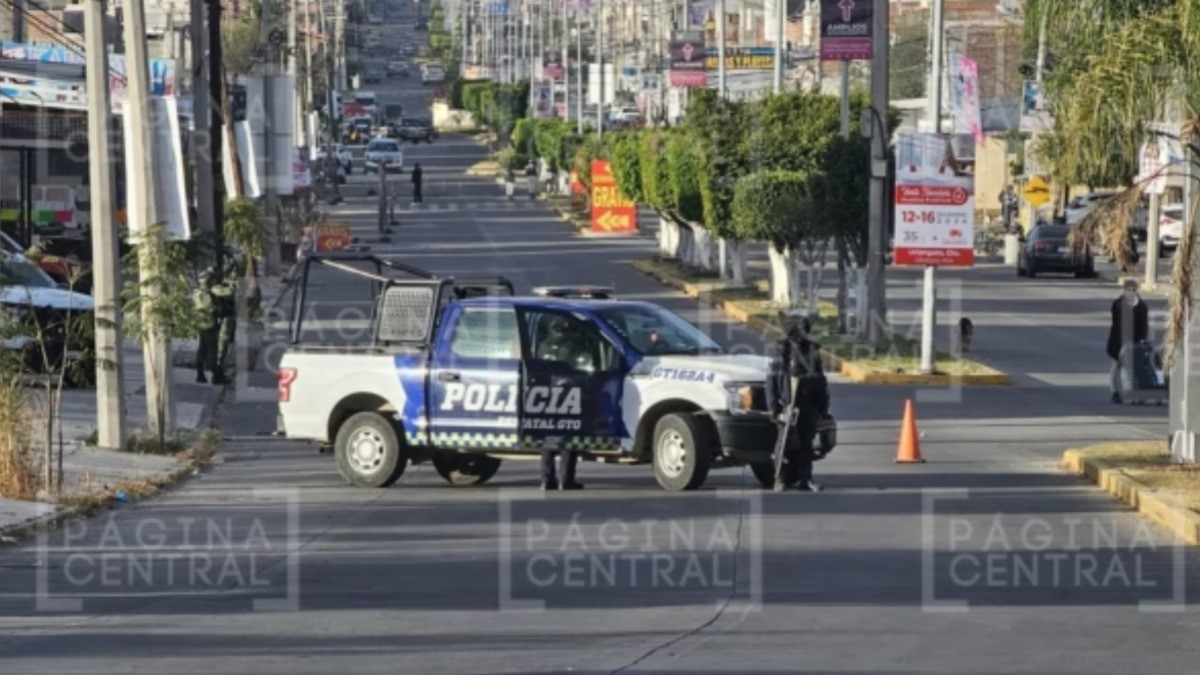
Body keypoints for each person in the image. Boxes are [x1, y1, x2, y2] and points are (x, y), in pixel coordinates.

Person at [765, 311, 831, 492]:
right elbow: (772, 380)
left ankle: (806, 478)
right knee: (783, 443)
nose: (806, 332)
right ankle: (780, 478)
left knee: (806, 443)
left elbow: (820, 380)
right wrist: (773, 406)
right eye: (802, 328)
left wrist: (822, 406)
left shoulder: (811, 349)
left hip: (807, 403)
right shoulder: (782, 349)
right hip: (787, 403)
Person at [535, 315, 592, 490]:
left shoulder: (542, 346)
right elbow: (582, 367)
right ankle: (566, 479)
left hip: (544, 393)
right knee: (568, 437)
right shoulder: (571, 346)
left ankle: (546, 479)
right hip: (567, 392)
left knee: (547, 438)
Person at [1107, 279, 1149, 404]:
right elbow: (1119, 324)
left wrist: (1141, 340)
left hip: (1134, 341)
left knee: (1131, 369)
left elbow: (1143, 325)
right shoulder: (1118, 304)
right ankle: (1115, 392)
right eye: (1128, 290)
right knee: (1116, 367)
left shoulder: (1141, 306)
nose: (1131, 293)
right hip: (1117, 341)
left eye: (1133, 290)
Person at [210, 266, 237, 385]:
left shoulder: (222, 285)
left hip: (228, 321)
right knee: (221, 350)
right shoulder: (215, 288)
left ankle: (221, 373)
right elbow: (230, 291)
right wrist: (232, 281)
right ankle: (218, 375)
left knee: (225, 348)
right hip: (222, 323)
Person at [192, 270, 219, 384]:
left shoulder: (199, 292)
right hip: (208, 324)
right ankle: (215, 374)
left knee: (202, 349)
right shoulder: (203, 294)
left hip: (203, 324)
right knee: (212, 351)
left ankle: (201, 374)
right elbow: (209, 307)